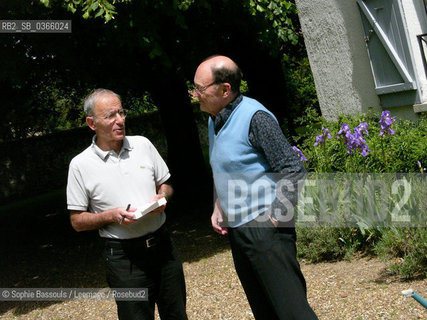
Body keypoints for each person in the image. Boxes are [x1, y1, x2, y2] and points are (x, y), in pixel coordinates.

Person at [191, 55, 318, 320]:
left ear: (225, 89)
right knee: (265, 311)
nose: (195, 94)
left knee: (292, 312)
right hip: (239, 230)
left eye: (200, 89)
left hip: (266, 229)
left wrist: (273, 218)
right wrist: (218, 204)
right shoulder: (215, 119)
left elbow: (293, 170)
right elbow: (226, 166)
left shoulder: (255, 117)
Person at [66, 88, 188, 320]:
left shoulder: (142, 145)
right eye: (110, 115)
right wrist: (111, 216)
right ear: (91, 123)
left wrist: (162, 197)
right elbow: (77, 221)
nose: (120, 120)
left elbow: (167, 185)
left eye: (121, 112)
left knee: (177, 315)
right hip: (124, 259)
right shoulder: (80, 165)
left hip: (164, 248)